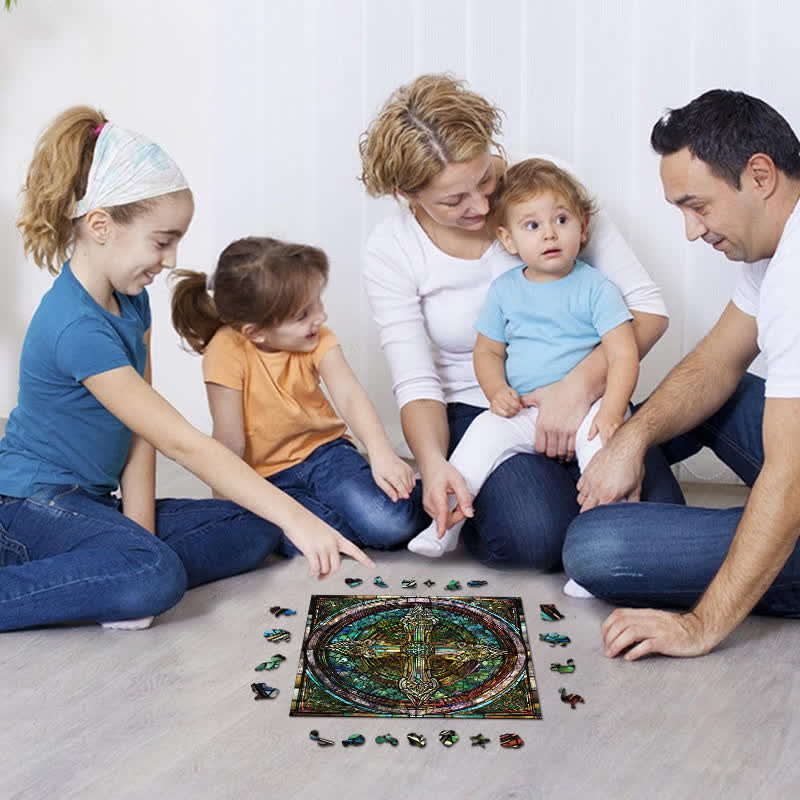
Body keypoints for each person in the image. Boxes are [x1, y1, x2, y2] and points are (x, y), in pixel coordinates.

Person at [0, 107, 373, 633]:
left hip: (92, 502)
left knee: (251, 525)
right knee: (153, 576)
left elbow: (143, 437)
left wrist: (141, 531)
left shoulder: (132, 302)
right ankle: (107, 574)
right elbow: (183, 441)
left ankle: (106, 572)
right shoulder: (74, 328)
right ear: (101, 225)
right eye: (162, 240)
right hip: (30, 505)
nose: (172, 258)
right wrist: (301, 520)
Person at [360, 73, 683, 570]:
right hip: (483, 406)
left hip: (589, 386)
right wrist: (433, 464)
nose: (483, 206)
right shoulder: (392, 249)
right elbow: (417, 381)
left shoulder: (548, 194)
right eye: (454, 201)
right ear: (408, 194)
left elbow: (647, 310)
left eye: (485, 178)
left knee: (659, 520)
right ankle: (499, 500)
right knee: (535, 537)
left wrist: (576, 390)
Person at [563, 89, 800, 659]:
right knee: (718, 394)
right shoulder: (775, 248)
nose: (693, 232)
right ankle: (623, 482)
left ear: (760, 175)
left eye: (699, 206)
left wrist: (699, 626)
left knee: (598, 548)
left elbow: (791, 478)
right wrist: (631, 442)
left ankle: (738, 549)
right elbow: (716, 363)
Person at [408, 159, 638, 559]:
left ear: (583, 228)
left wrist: (612, 411)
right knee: (480, 439)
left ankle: (604, 551)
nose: (549, 233)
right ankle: (445, 525)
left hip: (589, 408)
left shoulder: (595, 288)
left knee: (604, 463)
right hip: (525, 407)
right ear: (508, 239)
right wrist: (496, 391)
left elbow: (622, 354)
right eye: (532, 226)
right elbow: (489, 350)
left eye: (561, 220)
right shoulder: (505, 291)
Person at [170, 237, 429, 554]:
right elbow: (228, 439)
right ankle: (357, 514)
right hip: (267, 477)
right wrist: (229, 503)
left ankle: (427, 490)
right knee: (298, 542)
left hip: (326, 454)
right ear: (256, 332)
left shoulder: (317, 338)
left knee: (389, 525)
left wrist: (381, 453)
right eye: (303, 314)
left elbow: (349, 395)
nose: (320, 317)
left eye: (317, 303)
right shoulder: (224, 350)